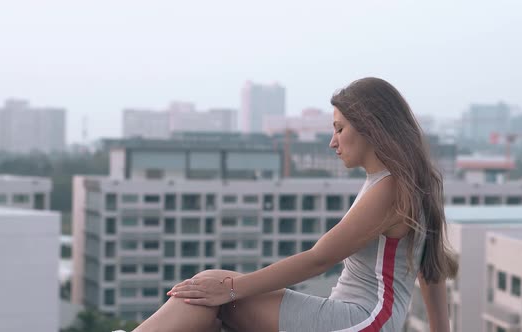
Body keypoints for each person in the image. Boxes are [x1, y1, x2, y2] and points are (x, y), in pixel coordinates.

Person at [132, 77, 458, 332]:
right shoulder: (401, 182)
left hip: (363, 321)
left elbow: (319, 259)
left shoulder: (390, 189)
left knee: (213, 291)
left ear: (370, 127)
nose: (333, 141)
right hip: (360, 318)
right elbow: (433, 273)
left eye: (339, 129)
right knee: (207, 296)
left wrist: (231, 290)